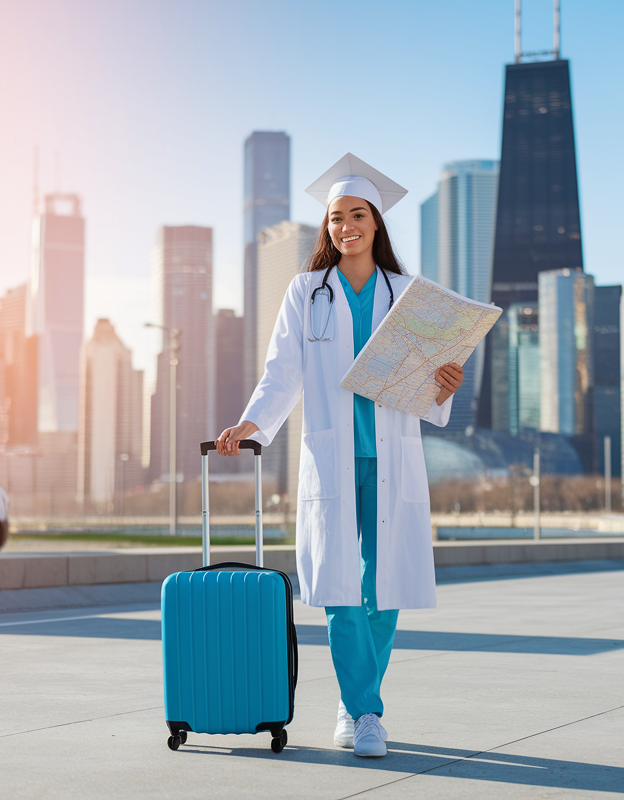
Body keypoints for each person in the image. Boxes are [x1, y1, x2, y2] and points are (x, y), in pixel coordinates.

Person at [215, 153, 464, 758]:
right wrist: (254, 421)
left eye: (358, 215)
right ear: (326, 227)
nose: (346, 226)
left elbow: (425, 381)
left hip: (392, 461)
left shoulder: (407, 295)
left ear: (377, 223)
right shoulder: (308, 291)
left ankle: (358, 705)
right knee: (339, 590)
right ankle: (366, 710)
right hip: (333, 462)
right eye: (335, 218)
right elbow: (283, 371)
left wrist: (444, 386)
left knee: (385, 590)